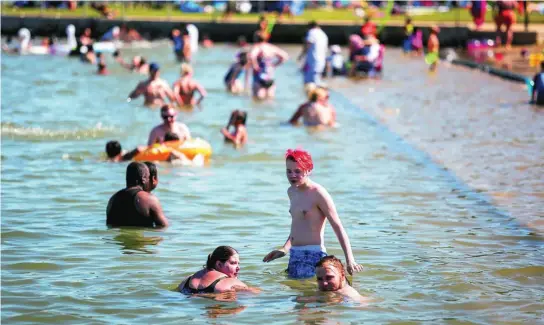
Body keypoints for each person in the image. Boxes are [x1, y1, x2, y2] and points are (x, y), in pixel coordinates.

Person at [263, 149, 363, 279]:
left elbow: (338, 227)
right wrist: (284, 249)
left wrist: (350, 259)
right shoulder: (292, 192)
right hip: (295, 255)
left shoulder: (319, 193)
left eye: (297, 171)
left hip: (314, 255)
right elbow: (298, 225)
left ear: (309, 170)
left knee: (315, 296)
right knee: (296, 295)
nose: (292, 175)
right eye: (289, 171)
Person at [106, 162, 169, 228]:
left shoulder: (112, 199)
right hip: (140, 238)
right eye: (148, 177)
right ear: (143, 178)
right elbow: (164, 227)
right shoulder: (148, 199)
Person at [178, 246, 256, 294]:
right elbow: (255, 294)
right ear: (218, 264)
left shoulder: (186, 280)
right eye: (233, 263)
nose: (238, 267)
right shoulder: (229, 282)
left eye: (238, 264)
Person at [248, 33, 289, 100]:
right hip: (270, 77)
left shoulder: (258, 47)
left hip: (259, 77)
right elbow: (285, 56)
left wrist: (255, 66)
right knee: (270, 100)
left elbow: (252, 56)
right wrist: (275, 65)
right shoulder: (271, 47)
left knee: (257, 100)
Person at [298, 21, 328, 86]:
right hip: (321, 61)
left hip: (313, 61)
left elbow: (308, 44)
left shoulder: (312, 32)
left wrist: (301, 55)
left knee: (309, 83)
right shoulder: (323, 34)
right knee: (316, 80)